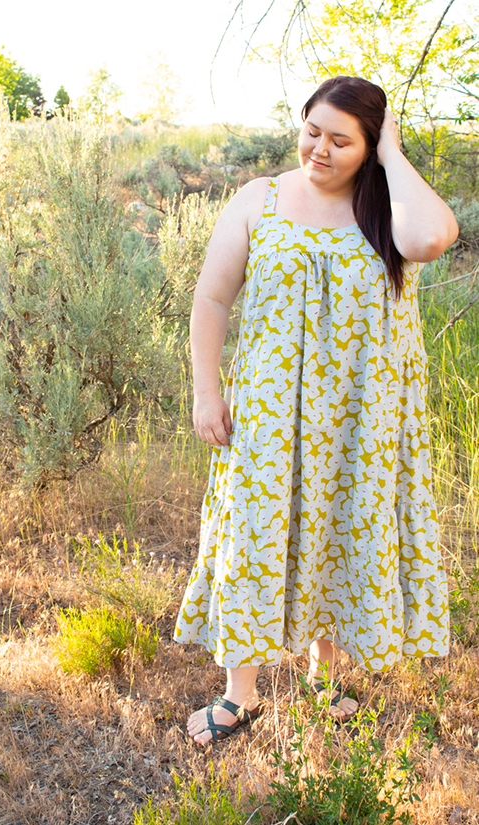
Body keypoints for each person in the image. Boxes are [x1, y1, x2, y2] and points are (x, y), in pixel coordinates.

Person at [174, 76, 459, 745]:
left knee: (339, 533)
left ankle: (325, 681)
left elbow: (434, 238)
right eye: (312, 132)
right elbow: (212, 299)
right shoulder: (260, 199)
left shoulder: (389, 208)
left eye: (342, 140)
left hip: (362, 418)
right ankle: (238, 696)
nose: (320, 150)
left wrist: (392, 155)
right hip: (270, 414)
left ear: (370, 145)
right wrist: (206, 389)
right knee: (253, 538)